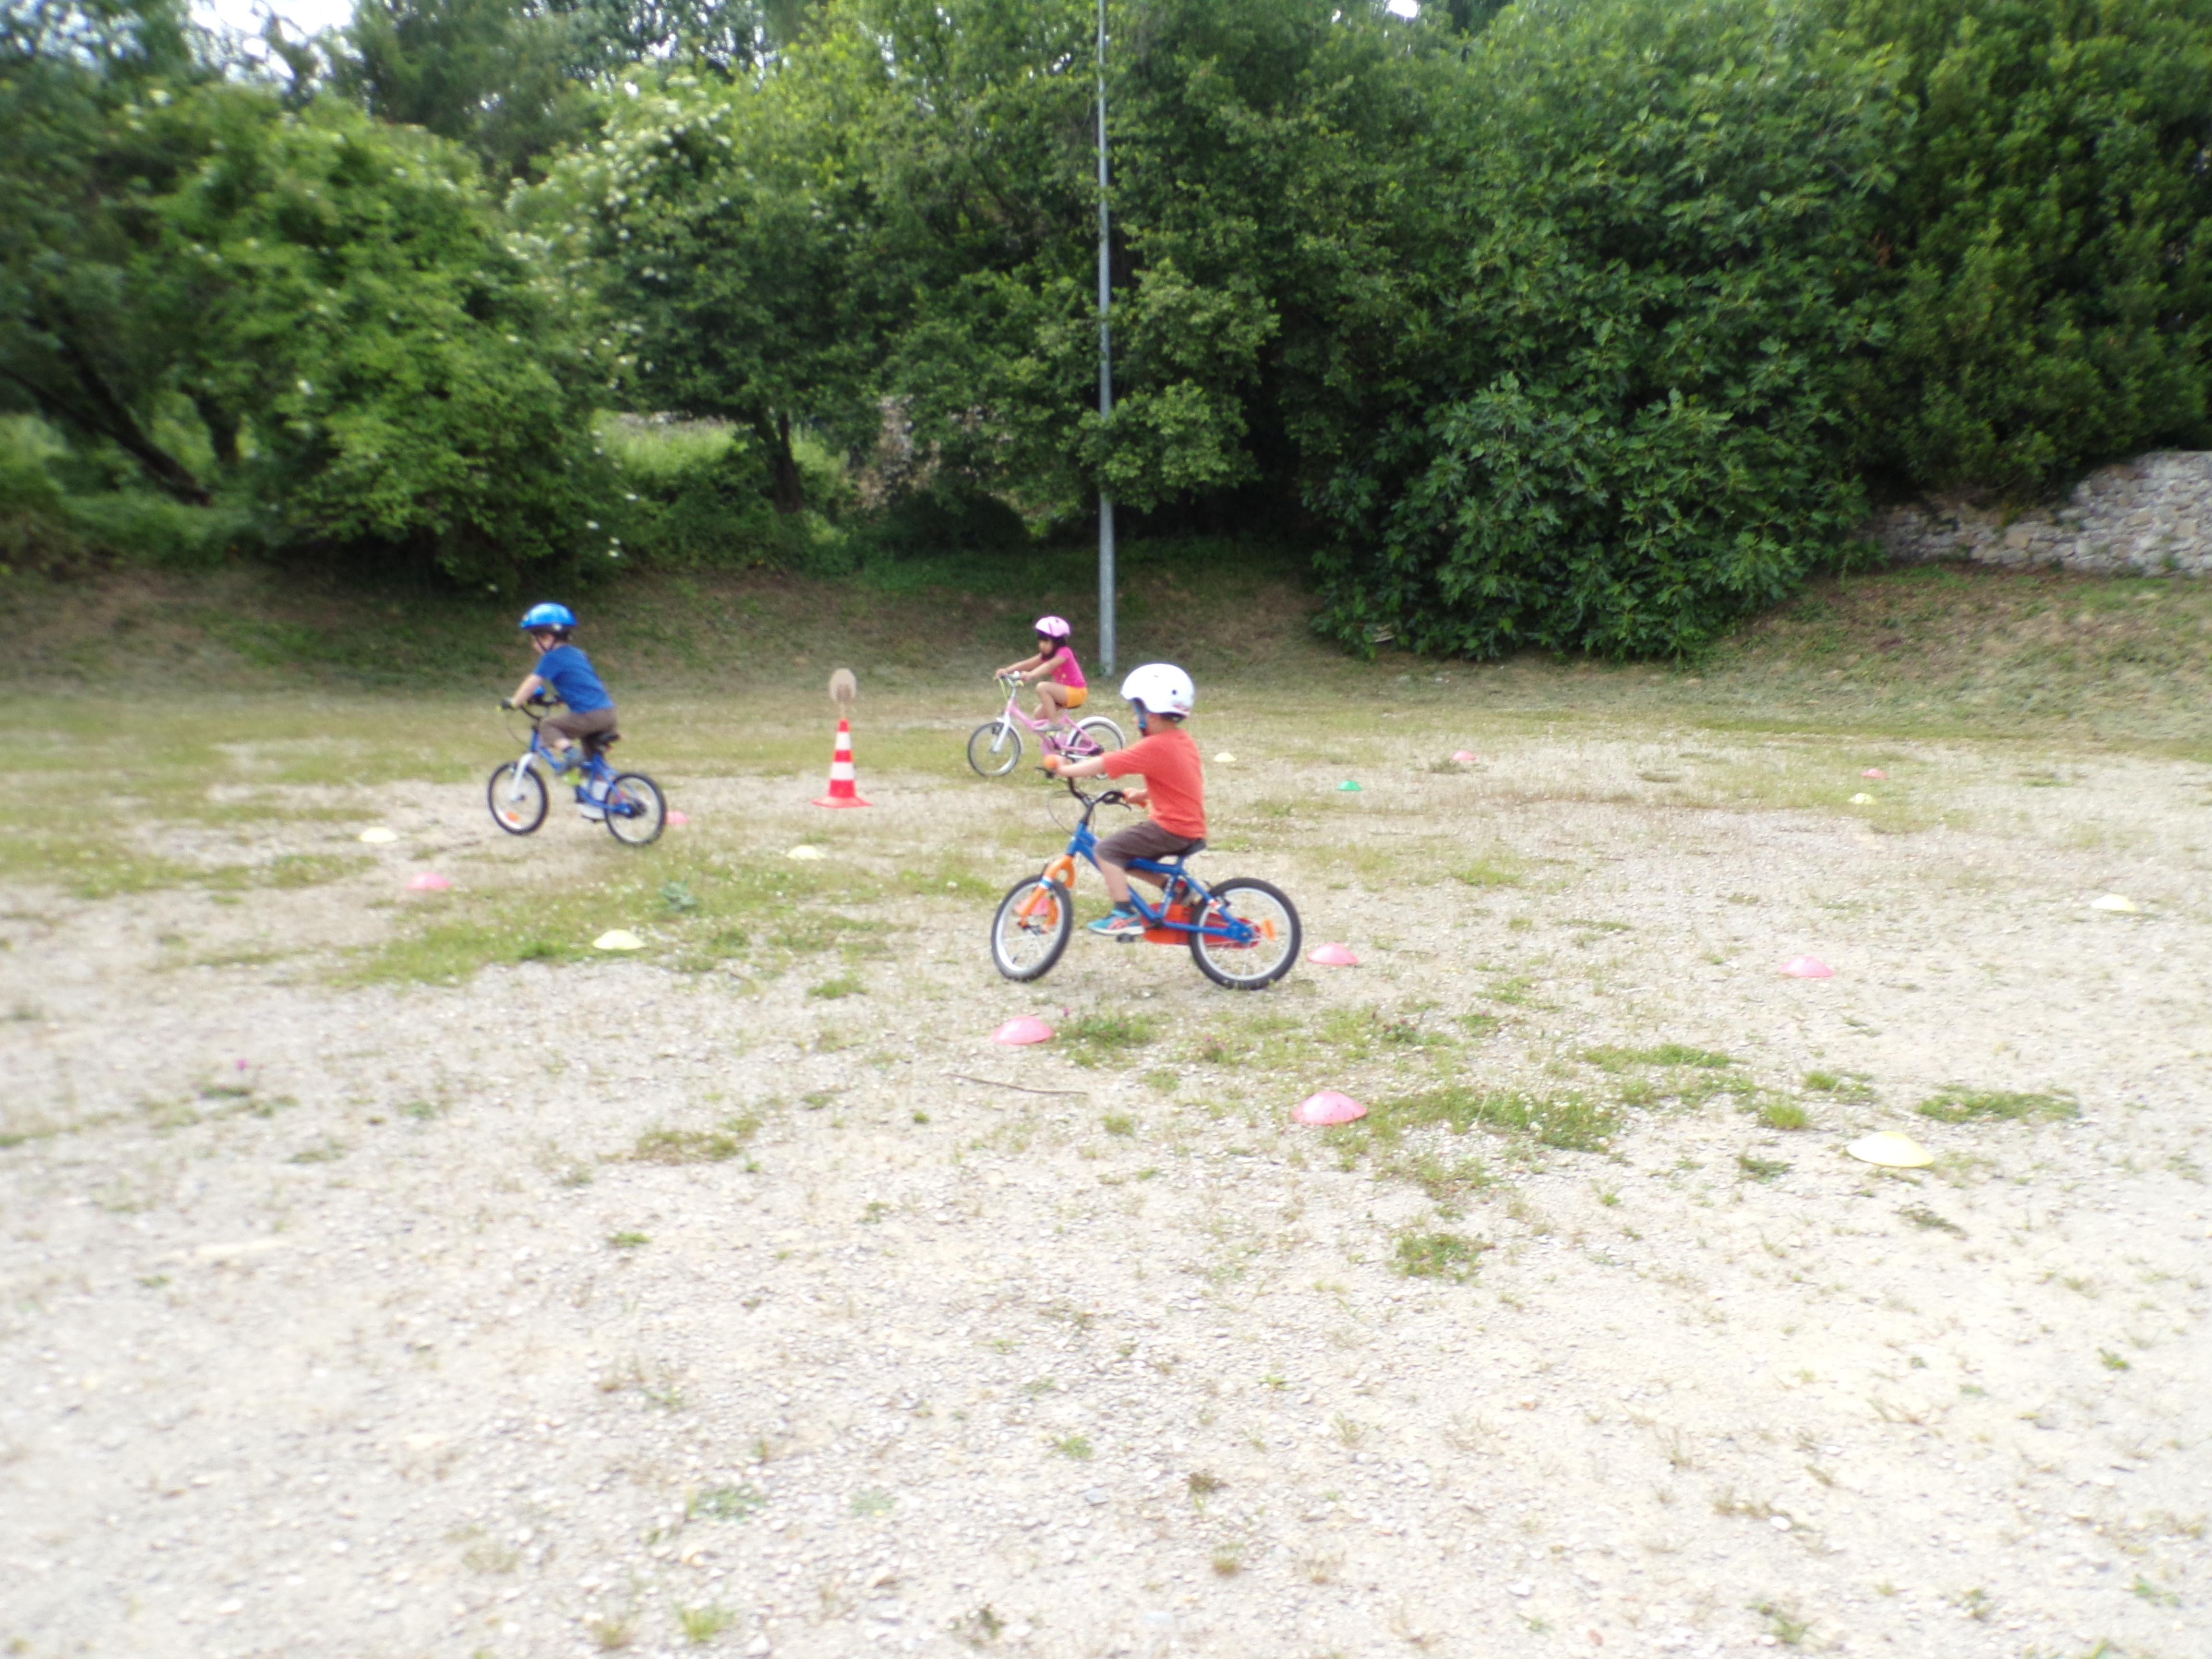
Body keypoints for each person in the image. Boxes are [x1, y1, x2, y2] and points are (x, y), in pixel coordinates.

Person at [1044, 663, 1203, 940]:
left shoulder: (1154, 745)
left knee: (1106, 851)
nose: (1134, 718)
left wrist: (1065, 769)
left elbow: (1107, 762)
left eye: (1135, 710)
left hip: (1172, 827)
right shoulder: (1180, 740)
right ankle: (1177, 890)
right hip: (1187, 826)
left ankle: (1123, 915)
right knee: (1126, 858)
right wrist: (1144, 795)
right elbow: (1181, 781)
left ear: (1150, 712)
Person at [504, 602, 619, 820]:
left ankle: (568, 753)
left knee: (549, 726)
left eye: (535, 639)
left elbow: (533, 681)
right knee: (593, 762)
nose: (534, 645)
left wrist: (515, 702)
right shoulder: (577, 654)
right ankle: (606, 803)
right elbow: (580, 682)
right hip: (608, 713)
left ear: (548, 638)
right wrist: (559, 698)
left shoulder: (551, 658)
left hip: (590, 715)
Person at [994, 615, 1088, 727]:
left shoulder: (1065, 652)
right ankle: (1054, 744)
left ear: (1056, 642)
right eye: (1040, 642)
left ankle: (1054, 724)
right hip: (1064, 693)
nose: (1042, 645)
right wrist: (1006, 670)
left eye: (1046, 642)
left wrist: (1031, 675)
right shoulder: (1047, 656)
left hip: (1077, 692)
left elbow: (1049, 665)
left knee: (1042, 687)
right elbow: (1027, 664)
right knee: (1039, 715)